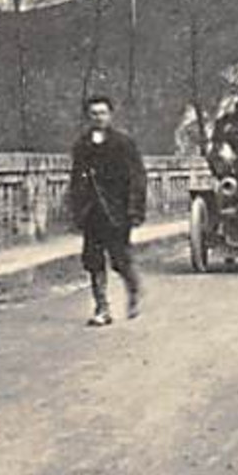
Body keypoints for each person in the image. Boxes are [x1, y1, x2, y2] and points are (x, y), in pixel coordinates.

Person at [67, 95, 147, 327]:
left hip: (117, 211)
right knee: (93, 260)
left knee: (120, 259)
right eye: (93, 114)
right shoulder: (82, 145)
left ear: (110, 115)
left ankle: (133, 290)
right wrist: (76, 210)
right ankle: (102, 307)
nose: (98, 118)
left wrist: (135, 209)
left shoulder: (123, 143)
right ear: (88, 117)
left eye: (102, 113)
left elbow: (137, 178)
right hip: (92, 211)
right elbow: (76, 180)